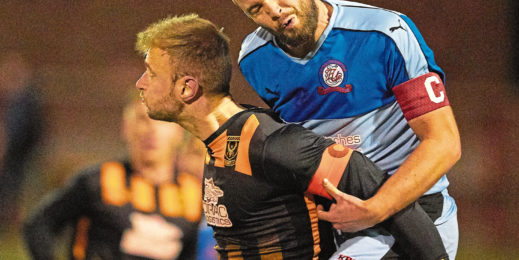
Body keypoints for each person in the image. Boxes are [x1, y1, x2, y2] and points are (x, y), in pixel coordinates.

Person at [134, 14, 449, 260]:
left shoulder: (268, 142)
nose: (141, 83)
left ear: (187, 88)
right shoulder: (217, 141)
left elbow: (380, 191)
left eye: (152, 72)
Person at [225, 0, 461, 259]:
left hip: (416, 213)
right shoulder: (255, 60)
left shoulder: (385, 34)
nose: (273, 10)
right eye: (255, 9)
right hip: (337, 223)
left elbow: (444, 142)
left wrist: (375, 207)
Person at [22, 91, 205, 260]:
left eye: (163, 121)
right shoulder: (97, 181)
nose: (152, 130)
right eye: (142, 119)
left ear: (179, 132)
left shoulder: (193, 196)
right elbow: (40, 224)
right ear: (126, 128)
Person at [0, 51, 45, 230]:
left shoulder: (25, 101)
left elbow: (24, 131)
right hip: (18, 156)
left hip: (22, 156)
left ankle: (17, 221)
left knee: (18, 190)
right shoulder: (14, 100)